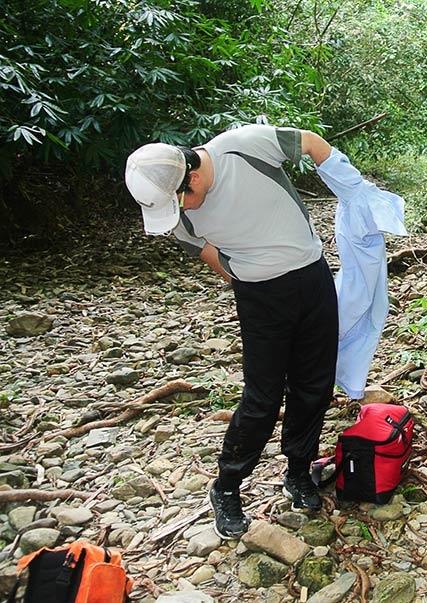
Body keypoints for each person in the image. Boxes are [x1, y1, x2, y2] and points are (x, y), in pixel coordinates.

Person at [124, 125, 337, 539]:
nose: (181, 210)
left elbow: (309, 142)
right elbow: (211, 255)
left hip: (312, 278)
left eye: (181, 200)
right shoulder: (179, 215)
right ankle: (226, 487)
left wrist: (349, 186)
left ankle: (298, 471)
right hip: (259, 296)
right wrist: (252, 275)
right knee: (262, 397)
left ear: (194, 176)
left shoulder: (241, 147)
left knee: (315, 386)